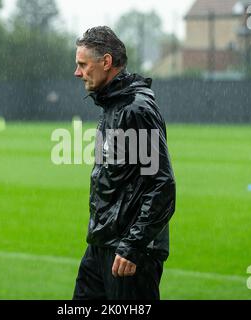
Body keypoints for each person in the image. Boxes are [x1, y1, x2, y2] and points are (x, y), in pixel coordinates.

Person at [72, 26, 176, 300]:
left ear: (106, 62)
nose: (77, 72)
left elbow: (161, 184)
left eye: (83, 64)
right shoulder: (112, 106)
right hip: (101, 245)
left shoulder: (136, 109)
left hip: (128, 254)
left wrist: (133, 245)